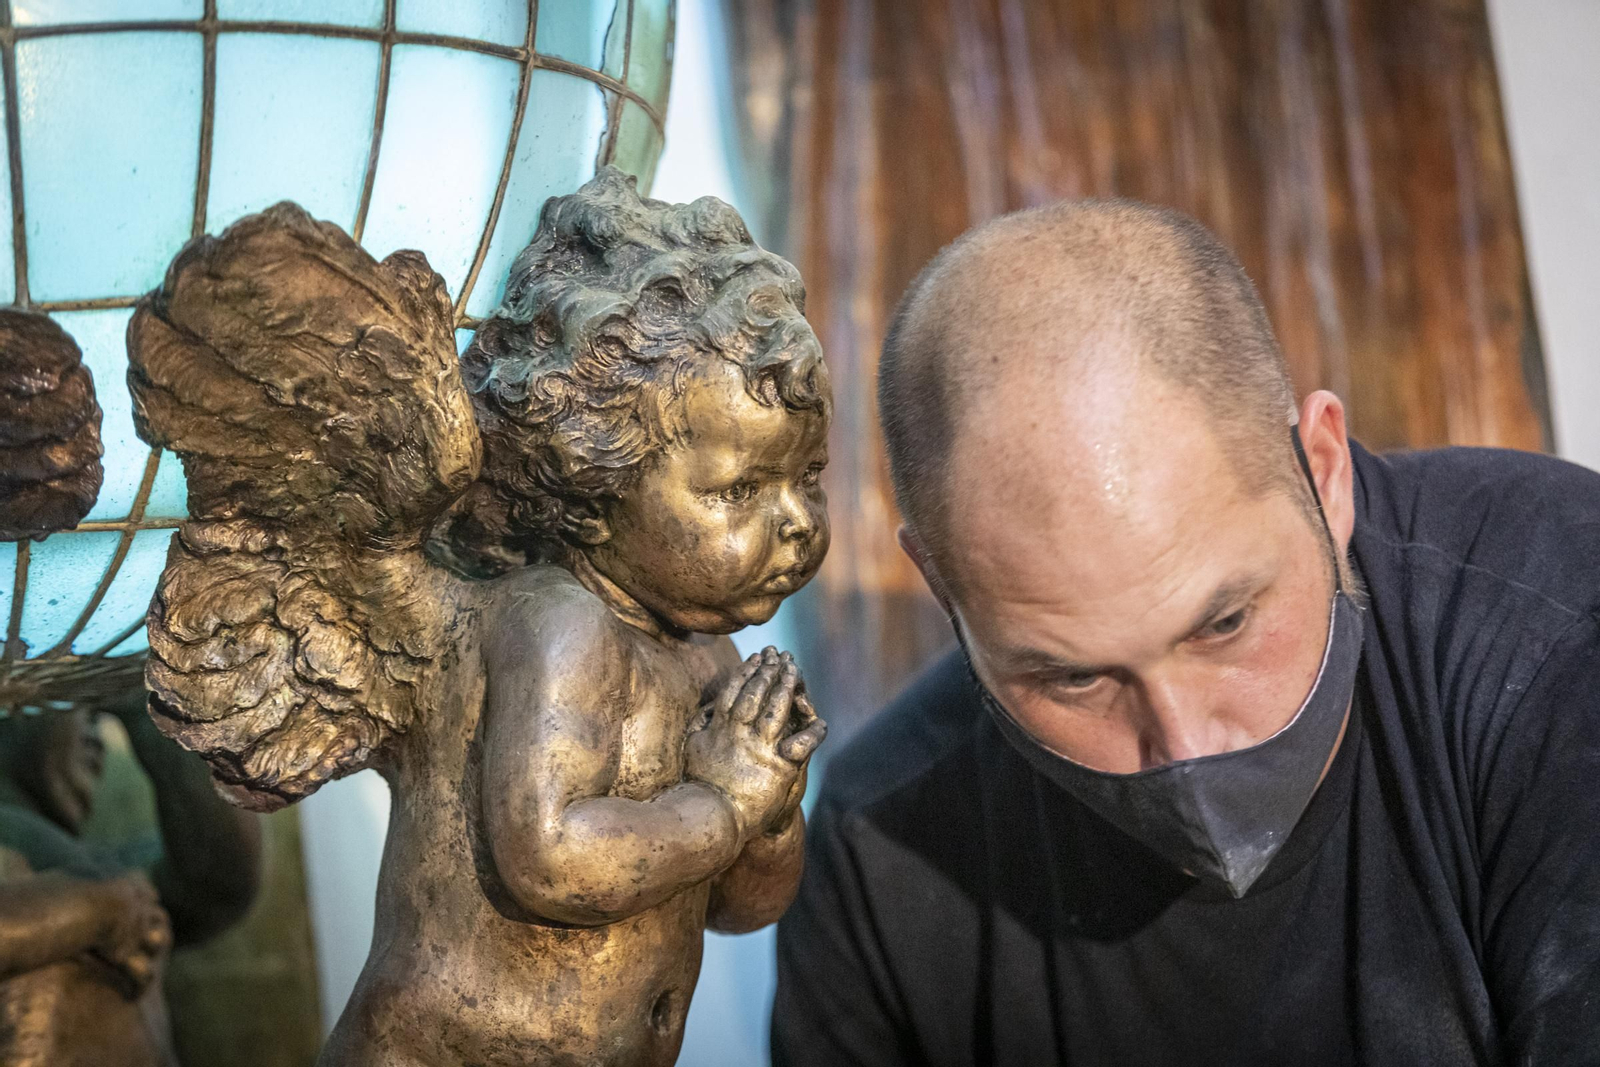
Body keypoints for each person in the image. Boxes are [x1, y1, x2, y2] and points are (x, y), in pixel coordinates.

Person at [771, 199, 1600, 1065]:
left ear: (1324, 472)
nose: (1185, 747)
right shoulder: (886, 856)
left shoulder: (1561, 632)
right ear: (944, 588)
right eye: (1074, 678)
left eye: (1226, 622)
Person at [0, 689, 261, 1067]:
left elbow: (217, 884)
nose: (97, 740)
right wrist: (95, 910)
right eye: (85, 712)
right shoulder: (96, 885)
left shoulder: (95, 869)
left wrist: (154, 705)